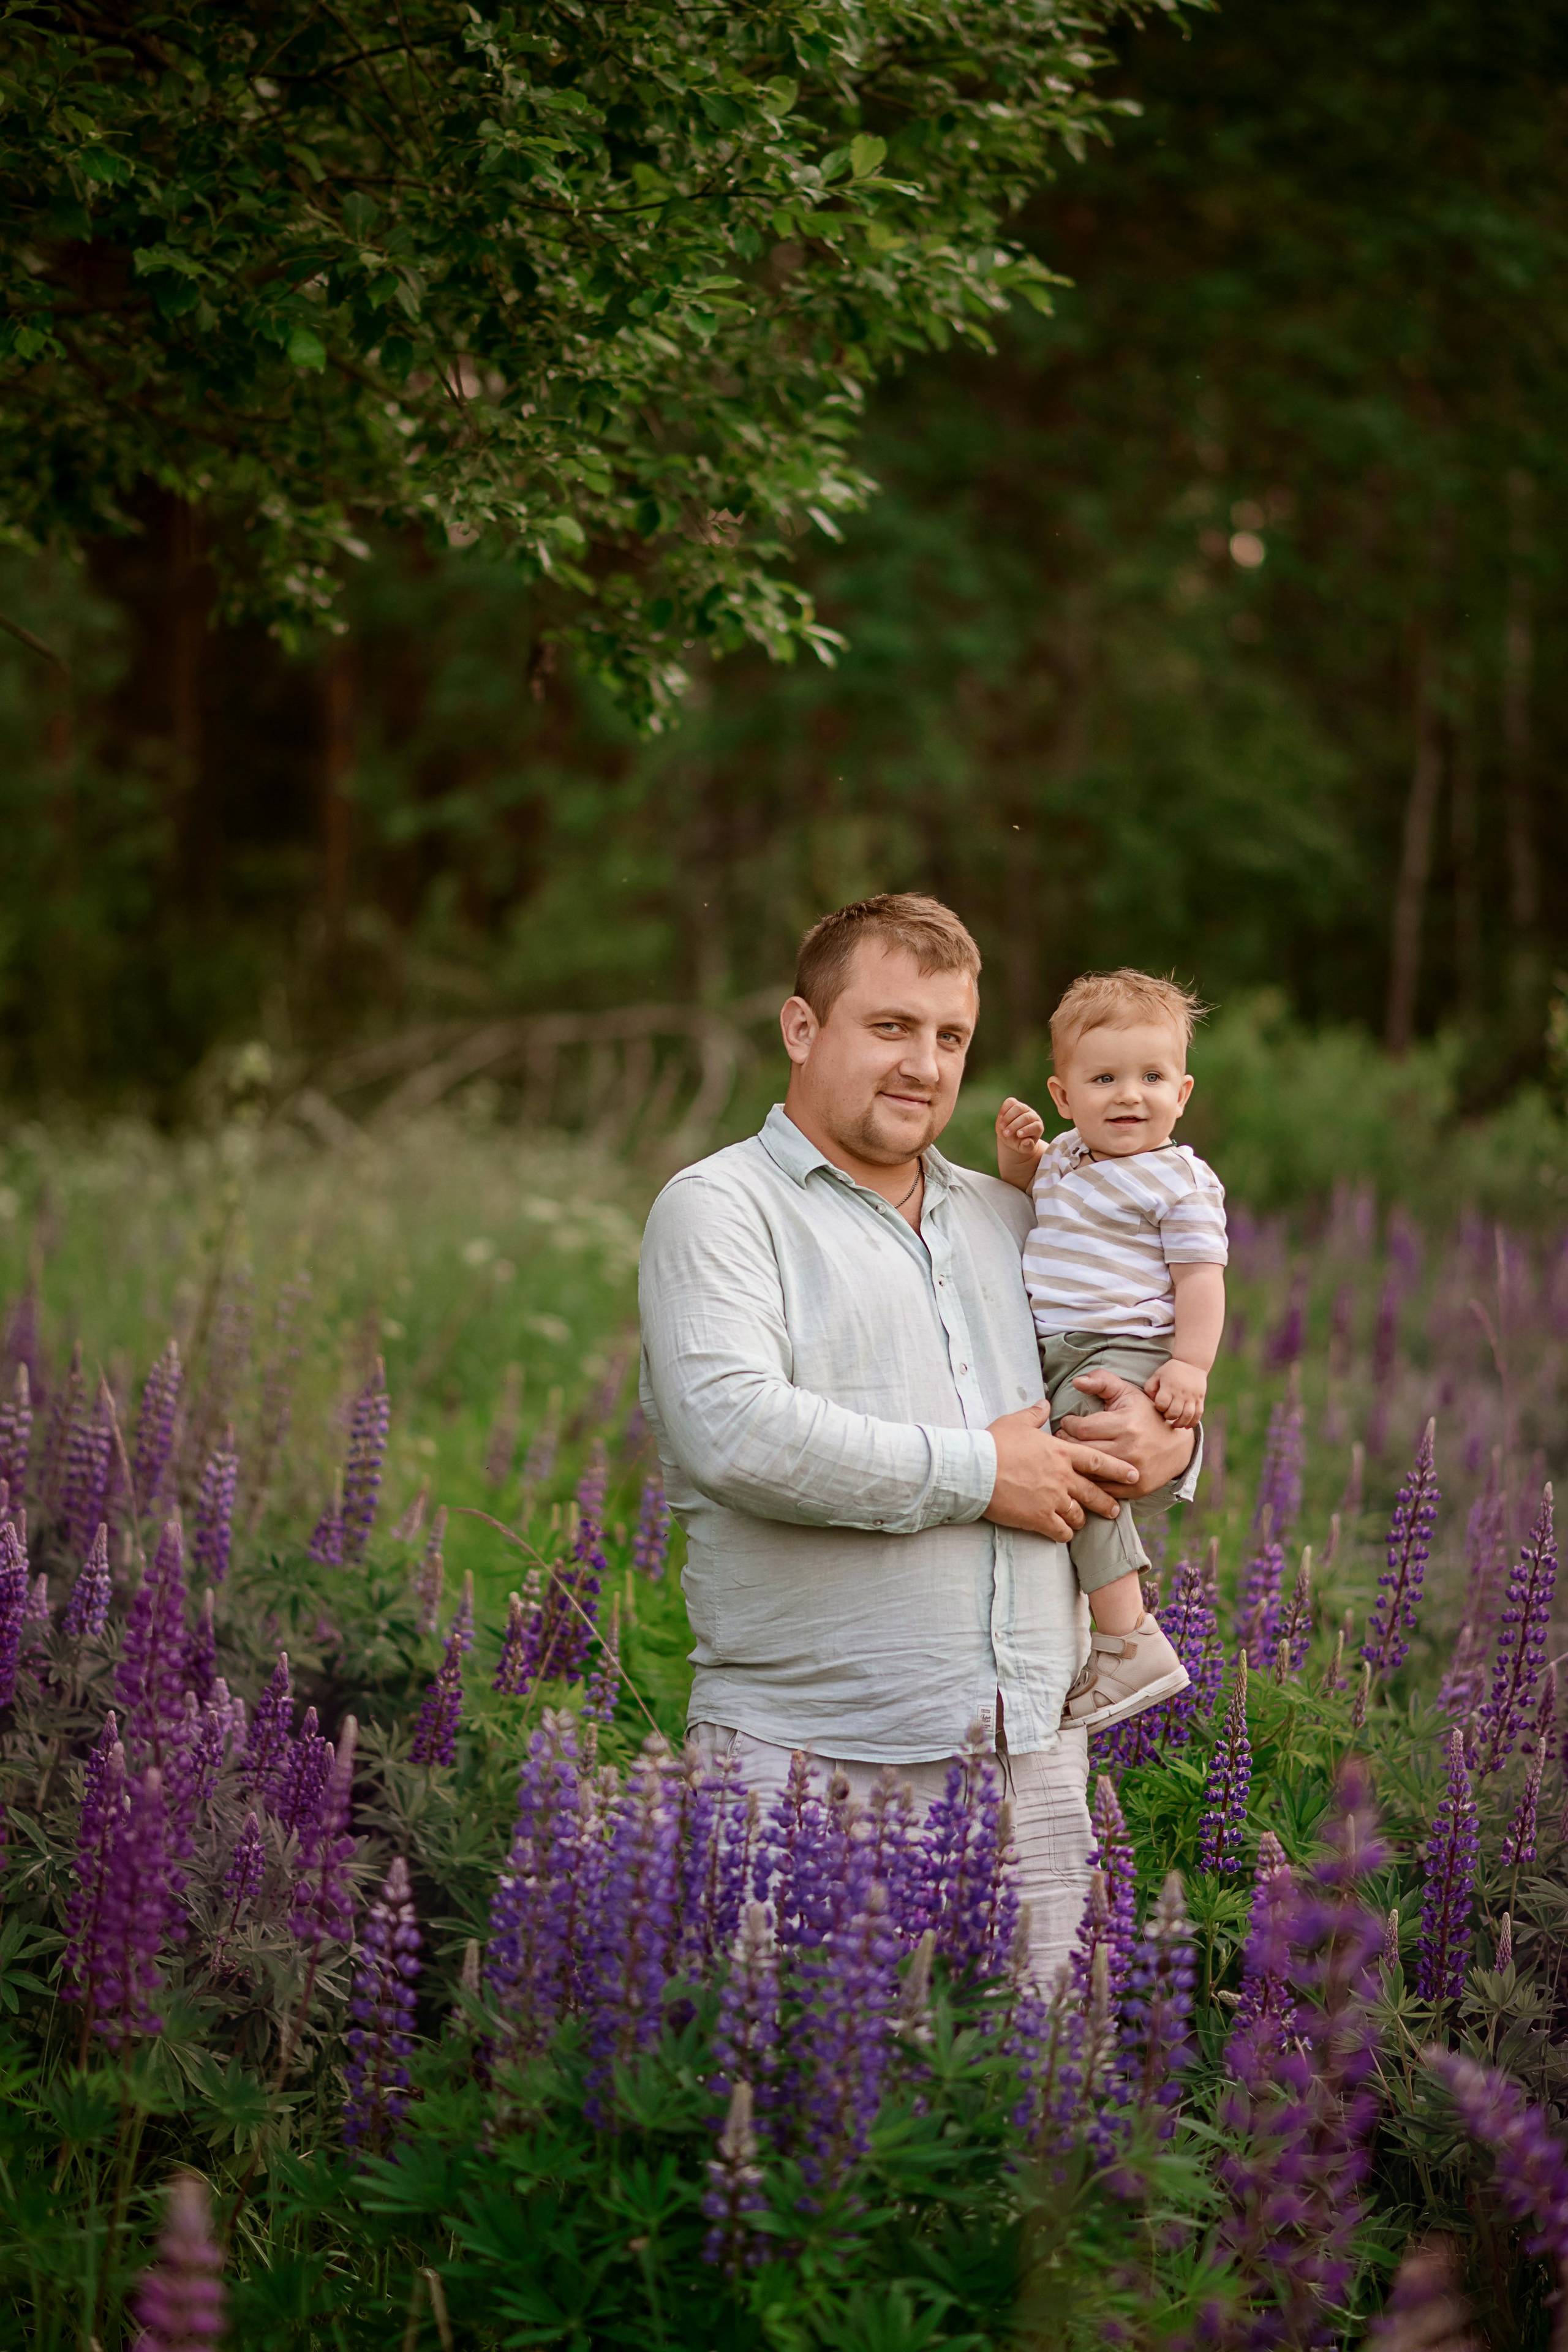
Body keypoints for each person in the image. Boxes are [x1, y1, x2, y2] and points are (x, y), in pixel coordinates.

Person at [637, 894, 1199, 1985]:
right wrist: (986, 1474)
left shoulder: (1016, 1214)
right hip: (807, 1769)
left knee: (1036, 2076)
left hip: (1032, 1760)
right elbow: (735, 1431)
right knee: (799, 2077)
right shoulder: (720, 1209)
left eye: (950, 1037)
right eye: (891, 1027)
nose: (923, 1065)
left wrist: (1169, 1442)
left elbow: (1127, 1357)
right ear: (802, 1028)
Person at [993, 969, 1227, 1734]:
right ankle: (1112, 1628)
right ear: (1063, 1096)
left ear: (1182, 1093)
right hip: (1058, 1351)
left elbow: (1200, 1279)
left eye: (1151, 1077)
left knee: (1071, 1466)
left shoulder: (1178, 1179)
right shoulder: (1066, 1155)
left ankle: (1128, 1636)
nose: (1130, 1096)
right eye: (1104, 1079)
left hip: (1124, 1347)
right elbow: (1030, 1195)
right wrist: (1017, 1156)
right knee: (1060, 1462)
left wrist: (1189, 1365)